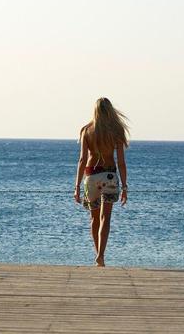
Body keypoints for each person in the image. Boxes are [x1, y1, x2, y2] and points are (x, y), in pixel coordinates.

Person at [73, 97, 129, 267]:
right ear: (110, 111)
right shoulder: (116, 131)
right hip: (109, 176)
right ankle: (100, 256)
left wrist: (76, 186)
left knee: (94, 218)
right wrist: (125, 186)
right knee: (106, 217)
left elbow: (82, 159)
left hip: (91, 177)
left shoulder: (86, 130)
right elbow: (120, 162)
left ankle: (98, 255)